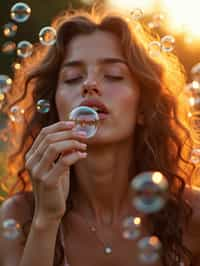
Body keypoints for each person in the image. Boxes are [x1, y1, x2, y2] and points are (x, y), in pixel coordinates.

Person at [0, 4, 200, 266]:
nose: (89, 84)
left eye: (114, 76)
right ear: (54, 106)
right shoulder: (19, 217)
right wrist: (46, 220)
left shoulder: (191, 215)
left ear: (144, 108)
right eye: (72, 78)